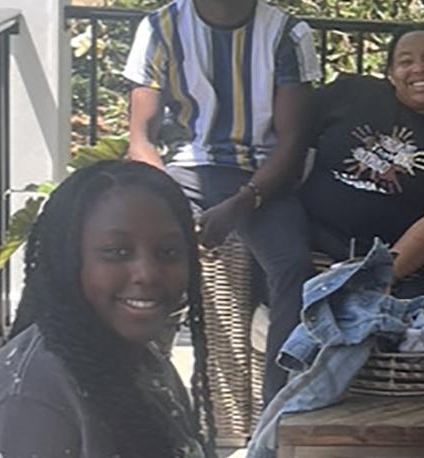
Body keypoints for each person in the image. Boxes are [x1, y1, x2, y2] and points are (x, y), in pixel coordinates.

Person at [0, 161, 219, 458]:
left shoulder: (141, 361)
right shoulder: (27, 404)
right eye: (116, 253)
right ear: (69, 261)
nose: (147, 273)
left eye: (168, 253)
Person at [122, 0, 320, 406]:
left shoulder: (287, 33)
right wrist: (167, 205)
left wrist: (239, 204)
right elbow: (140, 140)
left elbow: (292, 143)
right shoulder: (160, 27)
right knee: (133, 261)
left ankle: (274, 422)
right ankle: (138, 399)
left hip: (263, 177)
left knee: (293, 269)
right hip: (183, 172)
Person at [280, 24, 424, 298]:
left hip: (382, 261)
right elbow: (291, 130)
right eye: (405, 61)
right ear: (391, 73)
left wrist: (380, 277)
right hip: (305, 240)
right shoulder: (353, 93)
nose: (419, 68)